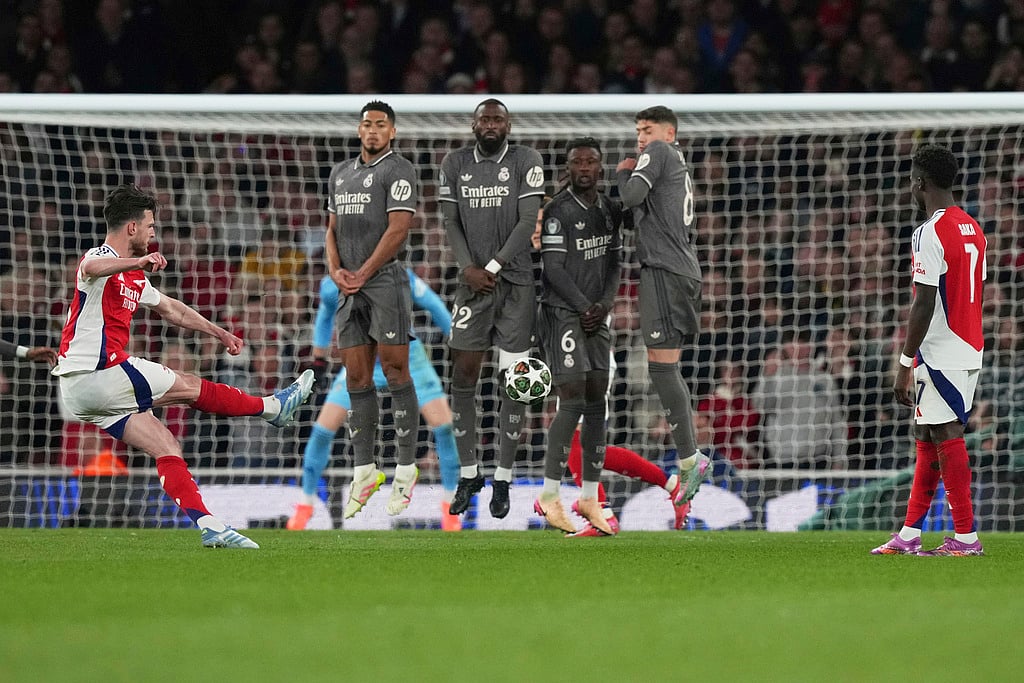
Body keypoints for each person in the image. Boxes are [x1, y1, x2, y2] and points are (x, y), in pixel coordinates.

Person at [51, 184, 315, 549]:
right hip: (98, 371)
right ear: (132, 228)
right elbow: (91, 267)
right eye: (150, 227)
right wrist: (137, 261)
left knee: (166, 446)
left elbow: (171, 309)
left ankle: (210, 527)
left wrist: (219, 331)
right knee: (189, 385)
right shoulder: (100, 257)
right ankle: (272, 407)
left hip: (88, 391)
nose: (152, 234)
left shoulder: (134, 277)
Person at [872, 144, 988, 557]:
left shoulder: (929, 231)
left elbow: (924, 301)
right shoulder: (973, 228)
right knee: (926, 432)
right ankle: (909, 534)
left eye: (910, 180)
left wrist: (905, 364)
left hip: (942, 349)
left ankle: (966, 537)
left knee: (946, 433)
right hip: (967, 343)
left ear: (919, 182)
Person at [286, 269, 462, 531]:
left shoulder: (400, 276)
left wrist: (456, 339)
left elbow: (434, 304)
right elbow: (325, 314)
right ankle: (306, 503)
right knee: (323, 429)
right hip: (362, 358)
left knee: (445, 426)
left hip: (407, 356)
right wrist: (319, 359)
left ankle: (450, 505)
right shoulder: (335, 283)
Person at [438, 98, 546, 518]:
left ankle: (503, 477)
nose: (490, 124)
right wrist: (468, 268)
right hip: (473, 288)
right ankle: (470, 473)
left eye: (497, 119)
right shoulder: (454, 163)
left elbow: (527, 221)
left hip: (516, 286)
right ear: (473, 124)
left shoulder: (526, 160)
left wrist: (493, 266)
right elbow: (450, 221)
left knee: (513, 381)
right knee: (463, 376)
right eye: (484, 118)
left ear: (508, 125)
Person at [323, 100, 422, 518]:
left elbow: (399, 228)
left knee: (396, 369)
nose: (373, 130)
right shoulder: (340, 173)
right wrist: (335, 271)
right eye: (367, 124)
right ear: (358, 129)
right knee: (356, 376)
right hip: (350, 284)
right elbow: (331, 229)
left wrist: (362, 271)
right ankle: (365, 470)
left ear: (393, 132)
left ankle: (405, 468)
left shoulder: (399, 169)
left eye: (381, 125)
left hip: (384, 282)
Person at [615, 105, 711, 513]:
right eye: (638, 130)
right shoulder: (675, 164)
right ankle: (691, 457)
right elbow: (638, 216)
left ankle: (691, 459)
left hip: (665, 273)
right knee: (664, 367)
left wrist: (623, 172)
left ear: (668, 132)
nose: (641, 137)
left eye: (647, 129)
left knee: (661, 369)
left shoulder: (658, 153)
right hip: (676, 270)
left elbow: (630, 198)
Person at [534, 137, 624, 535]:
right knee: (570, 397)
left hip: (595, 316)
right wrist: (585, 307)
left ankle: (589, 496)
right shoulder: (557, 210)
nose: (584, 168)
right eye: (577, 162)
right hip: (562, 314)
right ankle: (550, 493)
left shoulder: (609, 210)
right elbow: (553, 268)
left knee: (596, 401)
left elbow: (614, 262)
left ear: (600, 168)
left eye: (591, 162)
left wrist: (603, 305)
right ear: (568, 168)